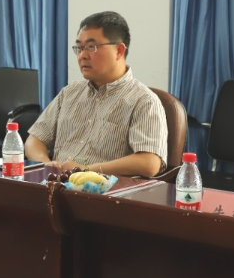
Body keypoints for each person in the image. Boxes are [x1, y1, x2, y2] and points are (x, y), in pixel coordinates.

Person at [25, 11, 168, 177]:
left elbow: (149, 163)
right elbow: (35, 140)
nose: (82, 56)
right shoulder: (70, 93)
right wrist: (46, 164)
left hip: (104, 189)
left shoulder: (143, 100)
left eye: (91, 47)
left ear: (119, 50)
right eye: (79, 48)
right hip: (57, 184)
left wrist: (86, 170)